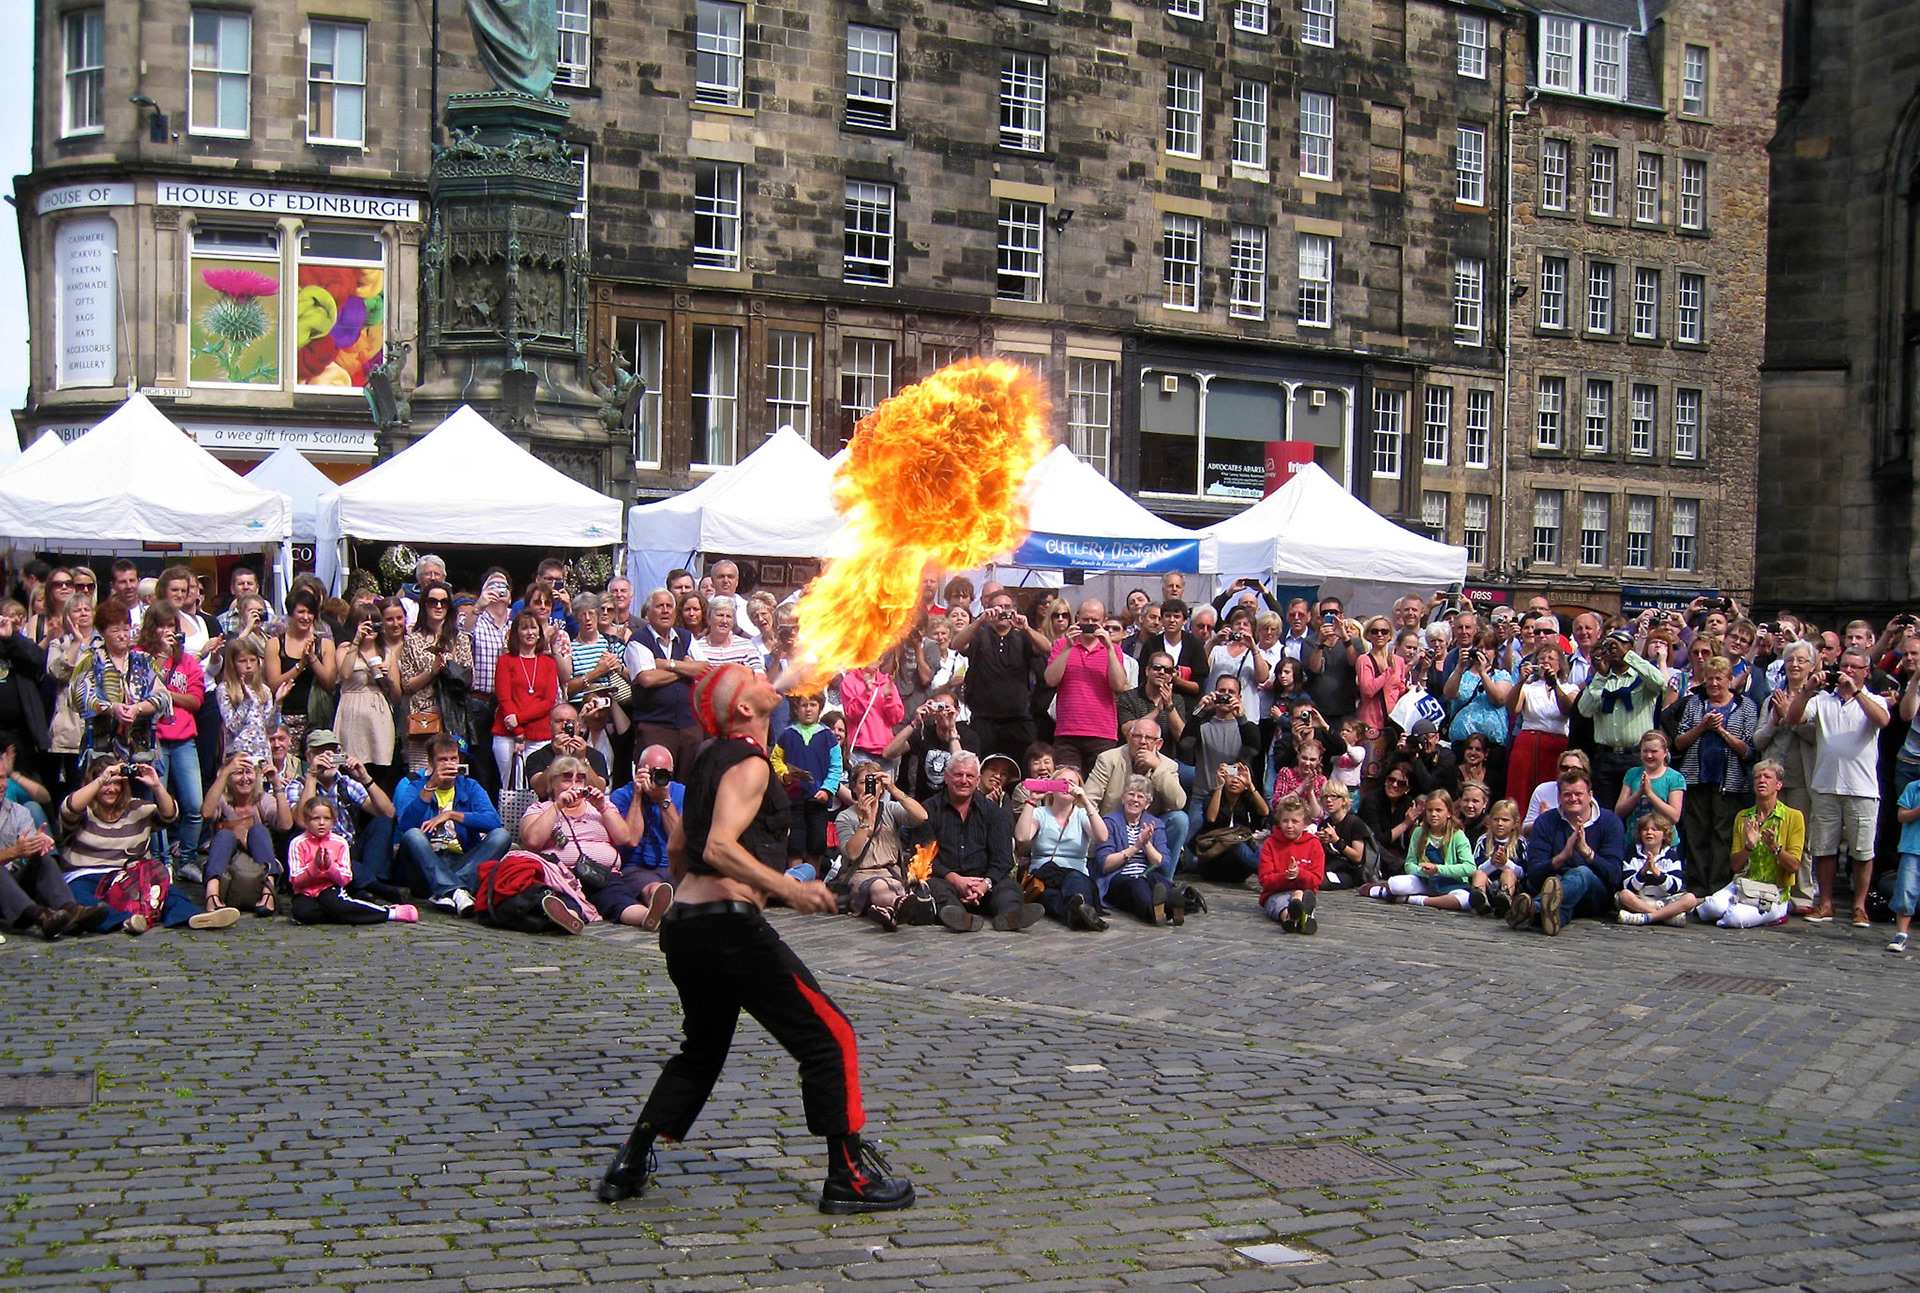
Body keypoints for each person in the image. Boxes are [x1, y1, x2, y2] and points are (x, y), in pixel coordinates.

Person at [595, 663, 914, 1215]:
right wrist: (785, 890)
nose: (766, 676)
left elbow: (679, 847)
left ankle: (631, 1156)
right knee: (829, 1035)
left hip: (688, 929)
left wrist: (689, 899)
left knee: (702, 1050)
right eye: (750, 676)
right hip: (726, 927)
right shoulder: (746, 761)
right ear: (743, 708)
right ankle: (848, 1179)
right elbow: (718, 846)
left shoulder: (714, 759)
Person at [59, 757, 240, 934]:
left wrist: (156, 786)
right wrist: (101, 779)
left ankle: (194, 917)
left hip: (126, 877)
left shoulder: (136, 809)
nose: (111, 789)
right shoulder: (84, 809)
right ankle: (125, 921)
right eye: (107, 784)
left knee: (167, 893)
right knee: (79, 897)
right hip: (84, 874)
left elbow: (169, 815)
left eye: (116, 784)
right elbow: (70, 808)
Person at [1785, 647, 1889, 924]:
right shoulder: (1823, 701)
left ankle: (1859, 906)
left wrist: (1855, 692)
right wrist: (1807, 690)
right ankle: (1826, 903)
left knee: (1862, 851)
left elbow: (1883, 721)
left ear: (1867, 671)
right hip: (1826, 784)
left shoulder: (1874, 699)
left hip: (1862, 788)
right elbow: (1793, 718)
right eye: (1845, 666)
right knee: (1824, 848)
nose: (1849, 671)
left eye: (1856, 667)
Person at [520, 756, 669, 929]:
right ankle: (570, 918)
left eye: (579, 779)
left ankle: (647, 916)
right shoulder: (541, 809)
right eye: (567, 779)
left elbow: (625, 838)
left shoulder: (601, 807)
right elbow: (533, 840)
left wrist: (602, 807)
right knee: (565, 898)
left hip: (601, 873)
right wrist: (558, 806)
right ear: (553, 783)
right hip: (562, 875)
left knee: (617, 897)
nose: (574, 785)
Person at [916, 750, 1040, 932]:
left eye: (969, 776)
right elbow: (922, 855)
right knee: (935, 888)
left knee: (1009, 888)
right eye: (958, 774)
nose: (963, 780)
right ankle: (959, 917)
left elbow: (1003, 858)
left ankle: (1010, 917)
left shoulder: (993, 812)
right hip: (946, 880)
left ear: (977, 779)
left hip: (985, 882)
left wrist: (985, 884)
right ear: (946, 777)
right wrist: (955, 879)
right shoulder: (928, 809)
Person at [0, 733, 105, 939]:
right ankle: (41, 916)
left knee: (44, 861)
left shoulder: (18, 812)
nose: (0, 785)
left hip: (13, 884)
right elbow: (14, 853)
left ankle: (71, 910)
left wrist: (37, 847)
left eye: (2, 778)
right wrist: (14, 852)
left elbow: (26, 855)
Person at [395, 735, 511, 914]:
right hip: (425, 864)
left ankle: (448, 889)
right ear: (430, 761)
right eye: (442, 759)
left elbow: (493, 821)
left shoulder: (470, 786)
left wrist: (451, 815)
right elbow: (406, 825)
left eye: (453, 759)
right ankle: (459, 891)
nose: (449, 764)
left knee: (501, 835)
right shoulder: (416, 786)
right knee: (413, 835)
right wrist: (431, 786)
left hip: (463, 861)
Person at [1672, 656, 1758, 896]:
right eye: (1709, 678)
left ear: (1730, 680)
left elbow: (1748, 750)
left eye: (1719, 678)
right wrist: (1702, 727)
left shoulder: (1746, 706)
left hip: (1729, 783)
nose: (1713, 683)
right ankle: (1697, 889)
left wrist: (1720, 731)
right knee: (1697, 833)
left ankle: (1718, 888)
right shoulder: (1695, 704)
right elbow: (1678, 743)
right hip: (1696, 779)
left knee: (1723, 836)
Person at [291, 730, 399, 898]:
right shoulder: (298, 785)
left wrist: (365, 778)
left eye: (333, 752)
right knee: (337, 860)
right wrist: (312, 776)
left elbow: (388, 812)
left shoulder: (346, 783)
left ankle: (368, 884)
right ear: (309, 756)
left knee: (382, 822)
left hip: (349, 848)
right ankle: (375, 887)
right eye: (321, 752)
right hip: (322, 853)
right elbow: (301, 822)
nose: (328, 757)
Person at [1696, 760, 1803, 929]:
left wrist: (1774, 847)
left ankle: (1776, 911)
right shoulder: (1743, 817)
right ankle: (1735, 906)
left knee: (1733, 919)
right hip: (1744, 884)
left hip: (1774, 891)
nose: (1761, 780)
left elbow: (1794, 866)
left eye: (1767, 777)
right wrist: (1749, 847)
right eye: (1757, 777)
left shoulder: (1794, 817)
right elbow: (1735, 865)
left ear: (1779, 785)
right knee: (1708, 910)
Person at [140, 604, 205, 875]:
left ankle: (186, 859)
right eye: (162, 626)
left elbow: (195, 700)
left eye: (172, 627)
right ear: (151, 628)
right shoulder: (140, 659)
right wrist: (160, 664)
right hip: (153, 740)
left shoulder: (187, 662)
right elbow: (142, 694)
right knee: (157, 806)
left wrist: (167, 695)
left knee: (194, 805)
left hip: (183, 740)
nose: (168, 632)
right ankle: (160, 862)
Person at [1522, 768, 1627, 936]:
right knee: (1556, 882)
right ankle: (1547, 916)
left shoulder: (1610, 822)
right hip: (1553, 885)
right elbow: (1533, 874)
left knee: (1582, 873)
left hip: (1595, 895)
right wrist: (1563, 857)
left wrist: (1587, 853)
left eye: (1578, 794)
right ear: (1559, 797)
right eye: (1567, 795)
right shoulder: (1545, 821)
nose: (1573, 799)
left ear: (1590, 795)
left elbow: (1614, 876)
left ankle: (1535, 907)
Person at [287, 799, 419, 926]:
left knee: (334, 903)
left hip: (329, 888)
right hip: (305, 891)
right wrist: (314, 867)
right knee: (303, 913)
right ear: (306, 821)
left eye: (326, 819)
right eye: (316, 819)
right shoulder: (298, 843)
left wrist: (330, 867)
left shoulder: (339, 843)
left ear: (333, 821)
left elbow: (345, 878)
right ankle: (349, 912)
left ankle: (390, 912)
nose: (321, 823)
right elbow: (295, 879)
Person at [954, 589, 1049, 763]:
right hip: (984, 718)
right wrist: (980, 621)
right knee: (983, 767)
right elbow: (956, 644)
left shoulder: (1023, 636)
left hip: (1018, 718)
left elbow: (1047, 648)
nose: (1002, 611)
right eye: (997, 607)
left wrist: (1026, 628)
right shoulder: (980, 635)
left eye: (1007, 607)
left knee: (1021, 768)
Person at [834, 762, 929, 931]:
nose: (869, 787)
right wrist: (865, 821)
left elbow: (921, 817)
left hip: (890, 873)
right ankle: (898, 905)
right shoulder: (845, 817)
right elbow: (852, 854)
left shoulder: (890, 809)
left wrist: (894, 790)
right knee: (879, 886)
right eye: (863, 783)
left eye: (875, 782)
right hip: (860, 875)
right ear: (854, 788)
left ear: (881, 788)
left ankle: (889, 913)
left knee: (894, 886)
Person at [71, 601, 169, 765]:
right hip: (102, 750)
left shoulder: (143, 660)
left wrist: (136, 709)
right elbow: (80, 698)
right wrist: (112, 708)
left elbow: (162, 697)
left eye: (126, 629)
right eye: (115, 630)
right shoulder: (90, 659)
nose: (123, 635)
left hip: (140, 751)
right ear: (102, 632)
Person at [1015, 765, 1109, 931]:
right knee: (1050, 897)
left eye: (1071, 782)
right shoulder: (1040, 813)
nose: (1066, 785)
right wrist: (1031, 801)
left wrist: (1086, 802)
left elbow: (1101, 837)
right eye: (1062, 782)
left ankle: (1078, 909)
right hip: (1044, 878)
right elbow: (1022, 837)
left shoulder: (1081, 815)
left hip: (1076, 875)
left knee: (1074, 882)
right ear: (1052, 786)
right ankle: (1083, 913)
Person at [201, 752, 292, 916]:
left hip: (256, 869)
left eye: (248, 772)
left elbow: (285, 825)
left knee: (258, 830)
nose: (244, 778)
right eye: (238, 773)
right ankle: (212, 895)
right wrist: (224, 773)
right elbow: (207, 813)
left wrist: (276, 784)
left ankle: (268, 892)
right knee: (224, 835)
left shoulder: (264, 800)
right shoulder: (222, 800)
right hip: (228, 870)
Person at [398, 581, 473, 773]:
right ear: (424, 605)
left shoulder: (461, 639)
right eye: (433, 602)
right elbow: (407, 685)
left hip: (453, 713)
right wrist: (431, 672)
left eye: (444, 602)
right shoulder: (411, 641)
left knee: (451, 771)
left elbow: (468, 678)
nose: (438, 606)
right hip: (424, 713)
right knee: (422, 773)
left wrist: (449, 668)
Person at [1364, 789, 1475, 910]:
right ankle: (1385, 891)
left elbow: (1470, 867)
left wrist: (1438, 869)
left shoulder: (1457, 835)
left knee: (1465, 900)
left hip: (1451, 883)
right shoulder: (1419, 832)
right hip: (1426, 881)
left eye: (1438, 811)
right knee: (1395, 884)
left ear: (1448, 813)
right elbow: (1409, 864)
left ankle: (1415, 899)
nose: (1433, 814)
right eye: (1430, 810)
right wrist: (1423, 871)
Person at [775, 691, 844, 877]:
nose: (808, 709)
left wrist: (827, 790)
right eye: (804, 705)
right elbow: (775, 760)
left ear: (820, 708)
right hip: (794, 799)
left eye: (812, 705)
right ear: (796, 708)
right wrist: (784, 775)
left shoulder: (827, 736)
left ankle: (812, 881)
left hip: (818, 801)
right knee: (795, 843)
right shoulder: (787, 735)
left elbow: (836, 767)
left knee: (816, 844)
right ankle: (793, 882)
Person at [1094, 775, 1179, 926]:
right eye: (1131, 794)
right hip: (1118, 879)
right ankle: (1159, 912)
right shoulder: (1110, 822)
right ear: (1123, 798)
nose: (1135, 800)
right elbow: (1105, 864)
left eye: (1140, 797)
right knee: (1138, 884)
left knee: (1158, 880)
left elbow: (1164, 864)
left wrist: (1147, 845)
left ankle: (1169, 905)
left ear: (1147, 804)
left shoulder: (1155, 824)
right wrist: (1136, 847)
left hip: (1146, 875)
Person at [332, 603, 402, 783]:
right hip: (351, 713)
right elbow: (345, 673)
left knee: (379, 767)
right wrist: (357, 640)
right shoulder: (345, 648)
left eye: (375, 623)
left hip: (378, 715)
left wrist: (389, 679)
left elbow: (396, 695)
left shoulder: (386, 652)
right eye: (365, 623)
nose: (371, 628)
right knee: (349, 764)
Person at [608, 743, 682, 910]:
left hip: (672, 866)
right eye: (654, 772)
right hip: (636, 867)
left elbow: (680, 841)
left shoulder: (681, 793)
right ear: (639, 770)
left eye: (666, 774)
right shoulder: (621, 795)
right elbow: (631, 840)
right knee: (653, 888)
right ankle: (660, 906)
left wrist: (664, 800)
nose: (659, 778)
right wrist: (637, 796)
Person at [493, 610, 562, 789]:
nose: (530, 632)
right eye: (524, 628)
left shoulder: (548, 663)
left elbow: (548, 702)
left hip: (539, 734)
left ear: (540, 632)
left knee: (538, 786)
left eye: (533, 628)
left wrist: (519, 720)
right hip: (507, 733)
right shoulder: (505, 661)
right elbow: (504, 698)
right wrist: (517, 731)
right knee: (508, 787)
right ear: (516, 633)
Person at [264, 588, 336, 755]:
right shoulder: (275, 643)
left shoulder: (325, 644)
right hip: (285, 717)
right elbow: (274, 684)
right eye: (301, 612)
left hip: (315, 718)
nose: (306, 617)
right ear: (290, 614)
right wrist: (300, 665)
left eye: (310, 612)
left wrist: (312, 659)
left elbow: (330, 683)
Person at [1505, 645, 1578, 807]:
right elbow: (1513, 707)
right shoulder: (1528, 688)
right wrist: (1520, 681)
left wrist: (1555, 685)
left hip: (1555, 746)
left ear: (1560, 665)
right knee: (1521, 790)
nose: (1546, 662)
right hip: (1527, 745)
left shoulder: (1569, 688)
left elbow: (1568, 710)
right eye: (1542, 658)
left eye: (1551, 659)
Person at [1193, 759, 1268, 885]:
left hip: (1238, 870)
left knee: (1259, 848)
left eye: (1240, 777)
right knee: (1237, 846)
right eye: (1232, 774)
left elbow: (1264, 812)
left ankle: (1271, 875)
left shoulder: (1246, 799)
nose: (1235, 780)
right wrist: (1219, 786)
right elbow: (1211, 818)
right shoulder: (1213, 796)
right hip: (1214, 861)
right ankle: (1270, 877)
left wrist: (1250, 786)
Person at [1615, 816, 1698, 925]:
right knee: (1624, 895)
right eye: (1645, 829)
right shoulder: (1632, 856)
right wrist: (1643, 872)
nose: (1649, 832)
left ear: (1664, 835)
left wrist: (1657, 873)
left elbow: (1674, 887)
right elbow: (1629, 886)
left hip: (1666, 900)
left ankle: (1646, 917)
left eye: (1654, 829)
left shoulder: (1671, 856)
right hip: (1642, 899)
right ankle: (1665, 917)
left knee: (1690, 899)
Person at [1256, 796, 1323, 932]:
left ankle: (1297, 911)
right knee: (1279, 903)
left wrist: (1300, 874)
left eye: (1295, 821)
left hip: (1302, 890)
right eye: (1285, 821)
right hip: (1275, 892)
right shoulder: (1270, 844)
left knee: (1299, 893)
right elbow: (1265, 879)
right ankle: (1291, 917)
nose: (1289, 826)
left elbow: (1317, 879)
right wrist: (1285, 877)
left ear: (1305, 824)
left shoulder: (1314, 844)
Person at [1616, 730, 1685, 849]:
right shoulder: (1632, 774)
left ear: (1665, 752)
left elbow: (1674, 817)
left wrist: (1649, 794)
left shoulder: (1675, 778)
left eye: (1654, 752)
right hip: (1634, 842)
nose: (1649, 756)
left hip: (1664, 844)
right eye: (1645, 751)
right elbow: (1619, 812)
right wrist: (1638, 794)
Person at [1469, 798, 1526, 918]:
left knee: (1508, 872)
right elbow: (1475, 868)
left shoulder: (1520, 843)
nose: (1500, 823)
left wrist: (1505, 863)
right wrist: (1492, 862)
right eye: (1496, 819)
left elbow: (1523, 872)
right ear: (1490, 821)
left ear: (1515, 823)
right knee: (1479, 874)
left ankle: (1505, 900)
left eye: (1505, 820)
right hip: (1488, 884)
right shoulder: (1484, 840)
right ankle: (1481, 900)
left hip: (1512, 886)